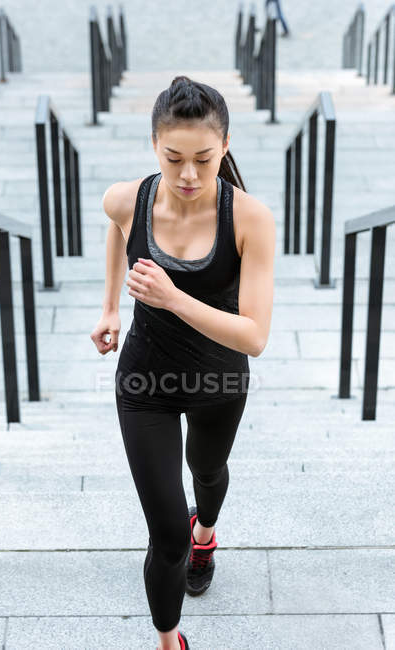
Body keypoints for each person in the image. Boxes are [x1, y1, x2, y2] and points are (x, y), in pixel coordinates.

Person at [90, 75, 275, 650]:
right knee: (166, 536)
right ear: (154, 147)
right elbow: (118, 231)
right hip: (145, 382)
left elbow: (255, 337)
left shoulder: (249, 219)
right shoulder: (127, 198)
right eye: (174, 159)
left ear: (225, 146)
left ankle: (209, 531)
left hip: (220, 379)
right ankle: (170, 639)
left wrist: (172, 297)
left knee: (208, 473)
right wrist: (110, 307)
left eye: (204, 158)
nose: (190, 175)